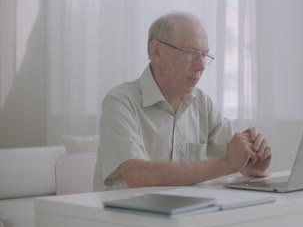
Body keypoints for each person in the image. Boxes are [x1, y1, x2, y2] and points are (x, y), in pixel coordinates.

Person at [93, 12, 272, 191]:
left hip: (185, 214)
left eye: (204, 55)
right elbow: (137, 175)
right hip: (126, 216)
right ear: (157, 51)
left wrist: (253, 163)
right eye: (192, 53)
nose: (201, 65)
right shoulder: (120, 102)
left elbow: (237, 159)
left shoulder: (202, 103)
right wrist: (225, 164)